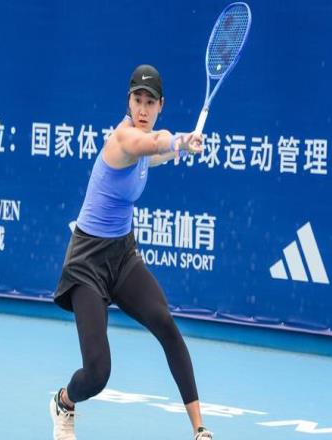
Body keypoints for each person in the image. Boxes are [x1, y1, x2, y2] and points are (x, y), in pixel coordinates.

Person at [50, 64, 213, 440]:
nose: (143, 108)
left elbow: (155, 153)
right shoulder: (123, 139)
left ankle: (200, 429)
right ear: (128, 101)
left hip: (122, 254)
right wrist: (175, 141)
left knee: (165, 323)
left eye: (150, 102)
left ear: (160, 106)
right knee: (97, 373)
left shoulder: (145, 144)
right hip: (87, 262)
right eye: (137, 100)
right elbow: (150, 145)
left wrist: (182, 146)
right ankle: (64, 401)